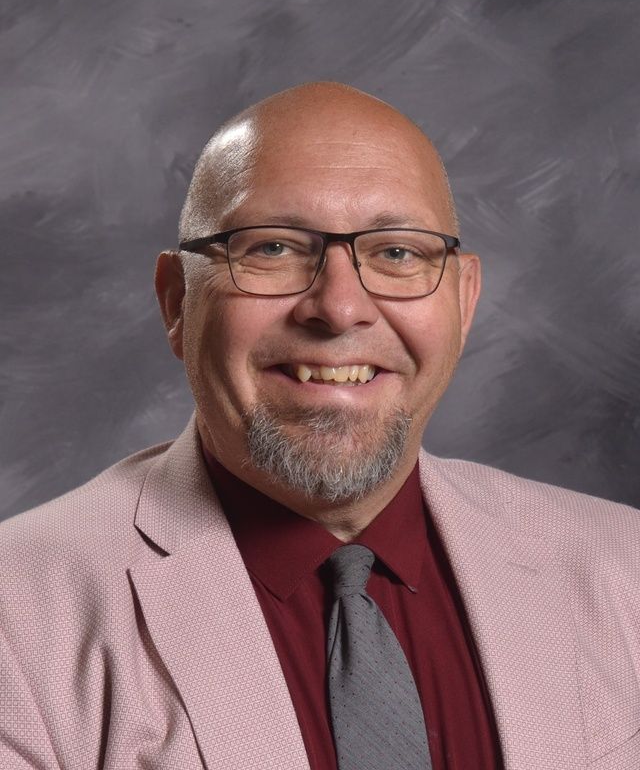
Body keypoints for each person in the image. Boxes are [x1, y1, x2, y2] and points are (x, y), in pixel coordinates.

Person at [1, 82, 639, 770]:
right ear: (176, 301)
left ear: (464, 299)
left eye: (397, 252)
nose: (339, 308)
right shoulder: (19, 620)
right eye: (272, 248)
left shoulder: (624, 570)